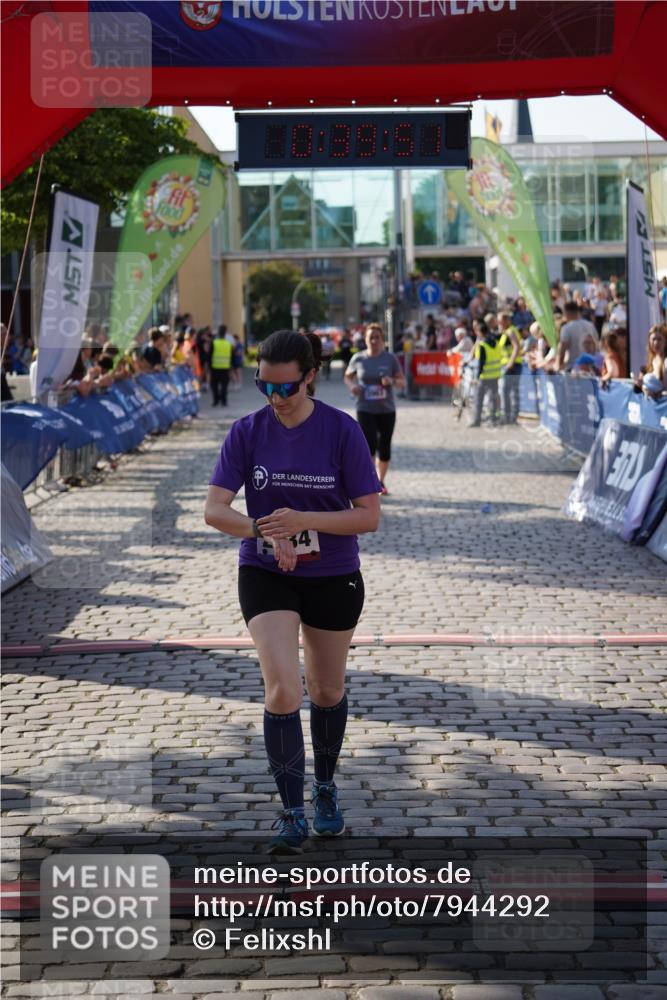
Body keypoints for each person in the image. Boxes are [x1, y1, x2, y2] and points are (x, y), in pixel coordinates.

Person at [204, 330, 381, 853]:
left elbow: (368, 516)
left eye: (286, 388)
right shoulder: (247, 431)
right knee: (282, 689)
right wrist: (262, 531)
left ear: (310, 377)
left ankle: (324, 786)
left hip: (333, 574)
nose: (275, 398)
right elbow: (214, 510)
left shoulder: (342, 431)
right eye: (265, 386)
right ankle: (290, 811)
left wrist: (305, 520)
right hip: (266, 573)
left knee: (326, 690)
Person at [344, 323, 405, 496]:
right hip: (365, 408)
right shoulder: (358, 358)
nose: (374, 341)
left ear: (382, 340)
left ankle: (381, 481)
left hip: (386, 409)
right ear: (365, 339)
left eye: (377, 337)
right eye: (371, 337)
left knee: (384, 447)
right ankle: (371, 481)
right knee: (368, 445)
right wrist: (353, 386)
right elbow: (347, 377)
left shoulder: (390, 359)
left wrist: (391, 381)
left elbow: (402, 382)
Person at [469, 320, 503, 427]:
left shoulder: (482, 345)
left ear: (480, 333)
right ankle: (492, 420)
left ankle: (476, 420)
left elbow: (481, 363)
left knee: (478, 399)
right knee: (492, 398)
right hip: (495, 375)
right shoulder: (496, 343)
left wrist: (476, 377)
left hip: (484, 376)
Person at [557, 302, 598, 371]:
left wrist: (560, 365)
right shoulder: (590, 325)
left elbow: (562, 348)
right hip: (590, 368)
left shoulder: (567, 328)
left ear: (566, 313)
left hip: (573, 368)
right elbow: (596, 345)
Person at [498, 311, 522, 424]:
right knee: (506, 391)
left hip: (512, 365)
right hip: (508, 364)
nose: (499, 324)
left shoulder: (511, 331)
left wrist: (511, 362)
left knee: (510, 391)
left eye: (501, 321)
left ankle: (511, 417)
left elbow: (516, 346)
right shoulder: (505, 332)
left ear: (507, 321)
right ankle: (508, 416)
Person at [210, 325, 233, 407]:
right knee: (224, 386)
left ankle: (216, 401)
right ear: (225, 334)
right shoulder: (228, 344)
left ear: (218, 333)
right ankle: (224, 401)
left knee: (214, 385)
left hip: (215, 367)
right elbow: (232, 356)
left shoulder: (214, 343)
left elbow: (210, 355)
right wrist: (231, 367)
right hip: (225, 367)